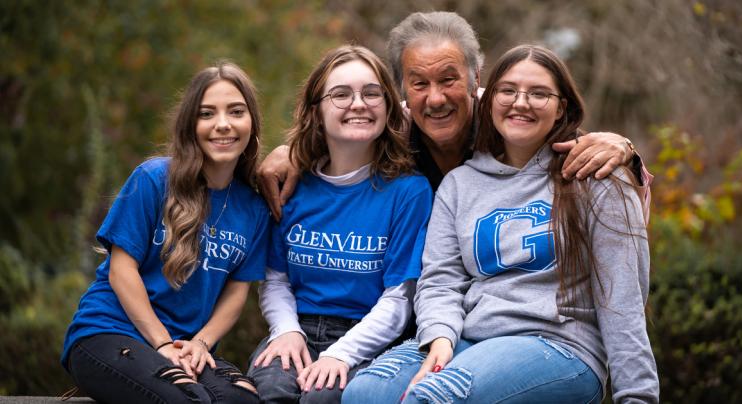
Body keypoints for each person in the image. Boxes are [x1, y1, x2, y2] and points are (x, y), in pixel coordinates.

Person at [342, 44, 659, 403]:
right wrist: (441, 337)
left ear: (561, 108)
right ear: (489, 101)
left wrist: (637, 395)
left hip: (560, 346)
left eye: (539, 93)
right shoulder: (461, 184)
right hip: (469, 340)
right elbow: (441, 280)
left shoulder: (596, 176)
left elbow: (622, 298)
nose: (521, 102)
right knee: (365, 392)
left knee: (435, 397)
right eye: (508, 91)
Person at [257, 11, 649, 221]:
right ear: (402, 91)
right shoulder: (392, 132)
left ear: (475, 77)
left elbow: (581, 147)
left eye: (449, 79)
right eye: (419, 84)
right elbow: (334, 138)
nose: (436, 98)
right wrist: (292, 151)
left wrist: (624, 148)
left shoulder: (511, 121)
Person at [61, 61, 268, 404]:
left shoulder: (255, 208)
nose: (222, 125)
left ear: (251, 124)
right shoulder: (154, 179)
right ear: (191, 125)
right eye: (207, 114)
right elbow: (121, 270)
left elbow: (236, 291)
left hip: (189, 347)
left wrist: (201, 342)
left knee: (241, 400)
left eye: (236, 111)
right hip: (109, 332)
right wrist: (161, 344)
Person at [246, 45, 433, 403]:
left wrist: (341, 354)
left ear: (389, 107)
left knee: (322, 398)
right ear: (316, 111)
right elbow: (275, 279)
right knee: (268, 392)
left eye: (371, 93)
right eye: (341, 94)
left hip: (369, 337)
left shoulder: (408, 191)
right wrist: (285, 331)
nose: (358, 104)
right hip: (295, 327)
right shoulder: (291, 187)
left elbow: (399, 297)